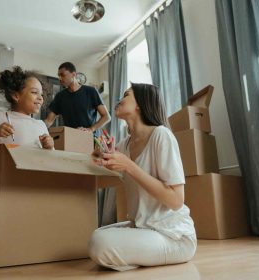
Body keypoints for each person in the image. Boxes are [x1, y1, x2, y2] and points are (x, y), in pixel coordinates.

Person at [88, 83, 196, 271]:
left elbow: (177, 200)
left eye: (126, 94)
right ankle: (140, 255)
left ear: (140, 104)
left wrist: (129, 166)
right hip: (144, 228)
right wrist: (98, 156)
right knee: (97, 234)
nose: (119, 99)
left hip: (173, 236)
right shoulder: (124, 144)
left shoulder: (161, 135)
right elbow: (105, 166)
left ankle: (137, 256)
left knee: (99, 242)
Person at [44, 62, 110, 136]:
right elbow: (49, 121)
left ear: (74, 74)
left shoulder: (91, 91)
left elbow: (106, 116)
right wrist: (35, 125)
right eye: (59, 76)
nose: (60, 78)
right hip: (70, 139)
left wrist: (91, 129)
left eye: (62, 75)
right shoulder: (60, 96)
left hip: (91, 139)